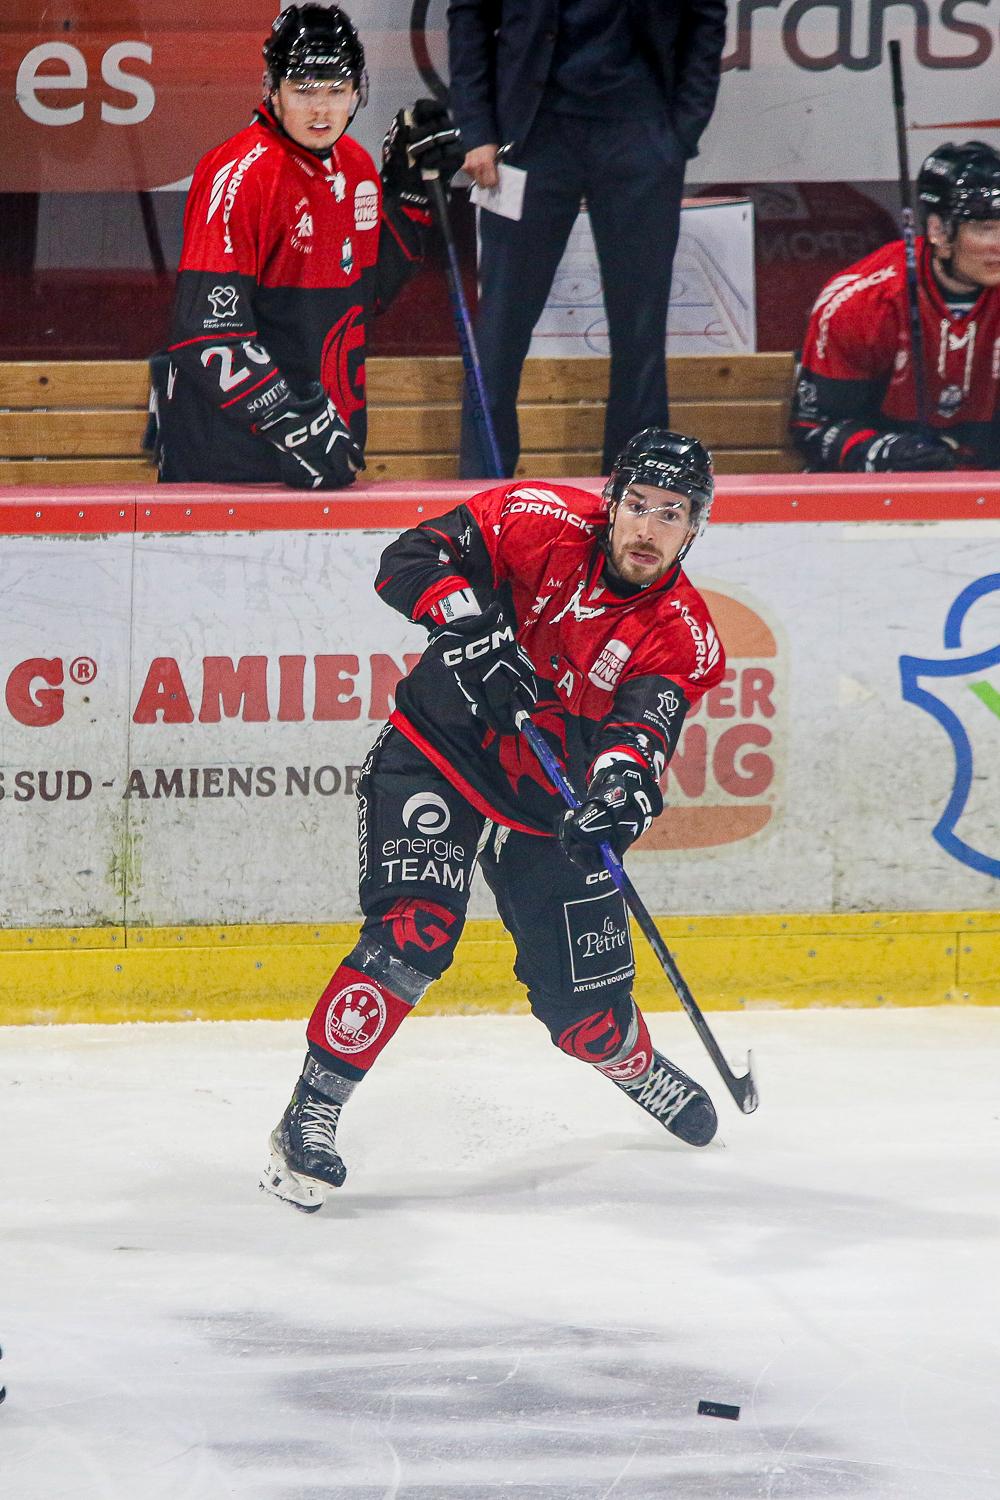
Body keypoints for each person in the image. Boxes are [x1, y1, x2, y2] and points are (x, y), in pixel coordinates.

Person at [260, 428, 727, 1212]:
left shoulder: (682, 633)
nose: (649, 528)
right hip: (438, 752)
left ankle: (630, 1061)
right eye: (638, 505)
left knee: (587, 1019)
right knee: (415, 931)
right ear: (611, 502)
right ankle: (311, 1113)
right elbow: (408, 560)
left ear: (696, 526)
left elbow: (642, 732)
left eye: (672, 514)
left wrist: (619, 795)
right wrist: (469, 625)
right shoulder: (534, 515)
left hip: (552, 809)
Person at [154, 4, 462, 488]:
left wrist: (409, 196)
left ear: (358, 91)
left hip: (324, 447)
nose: (321, 109)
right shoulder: (240, 174)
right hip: (229, 455)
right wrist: (294, 423)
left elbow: (366, 296)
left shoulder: (357, 168)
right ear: (272, 91)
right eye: (303, 91)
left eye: (336, 91)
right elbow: (208, 333)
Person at [447, 0, 727, 479]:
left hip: (640, 134)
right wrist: (477, 128)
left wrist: (681, 133)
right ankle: (481, 492)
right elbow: (470, 13)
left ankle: (635, 496)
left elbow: (705, 17)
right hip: (527, 136)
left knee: (640, 332)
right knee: (500, 329)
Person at [791, 141, 1000, 472]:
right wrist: (884, 451)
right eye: (986, 228)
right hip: (876, 498)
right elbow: (813, 429)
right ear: (937, 230)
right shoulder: (861, 302)